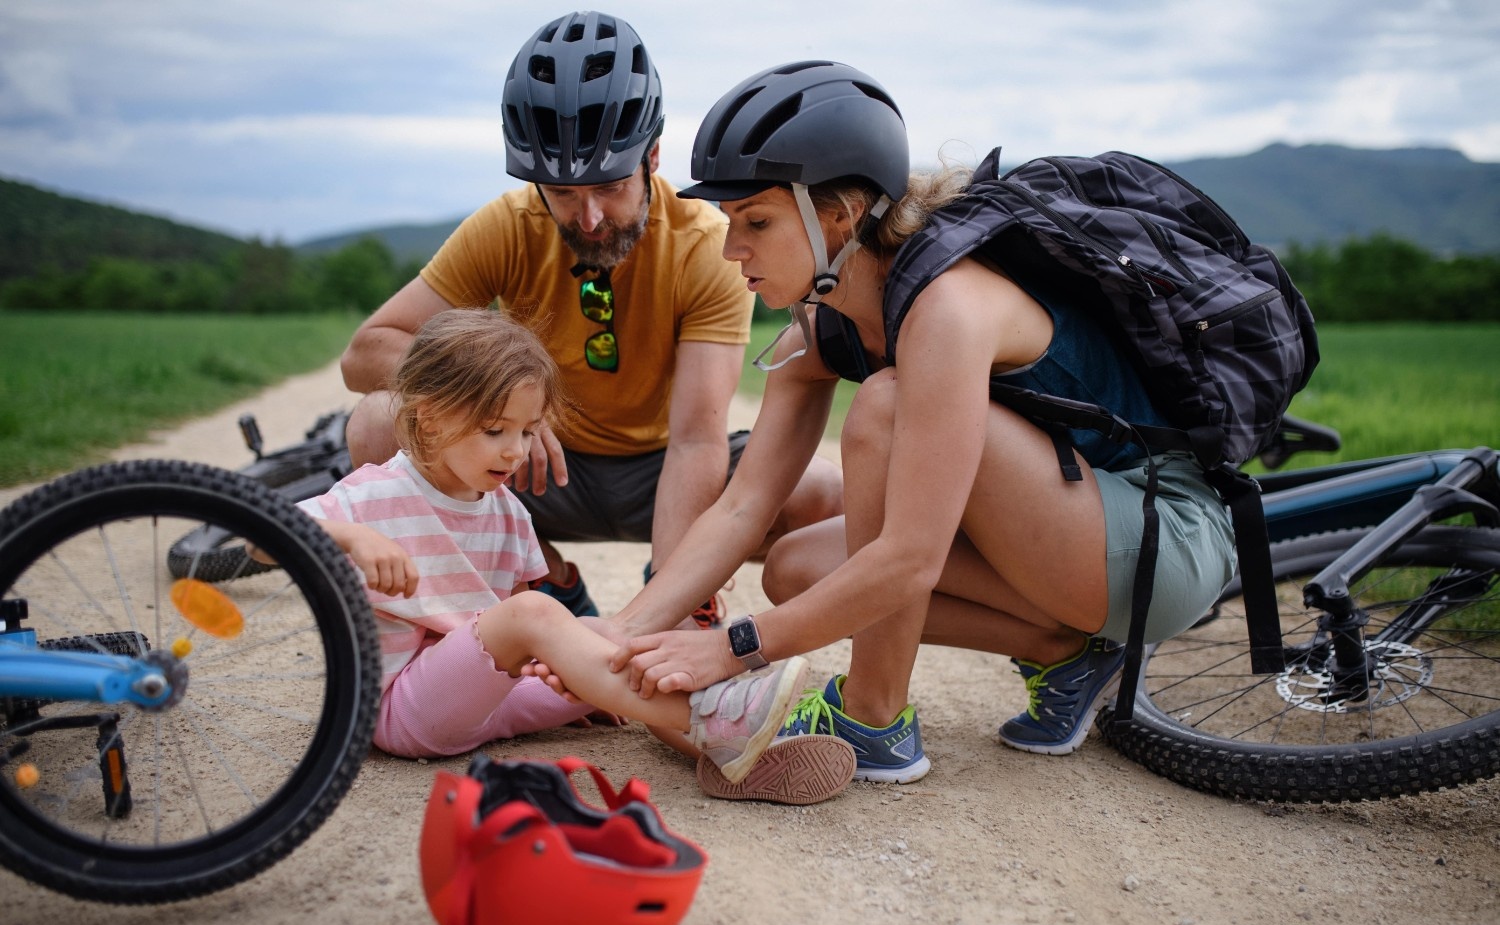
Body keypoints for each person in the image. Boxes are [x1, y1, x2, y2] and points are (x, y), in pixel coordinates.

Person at [587, 62, 1238, 785]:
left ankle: (874, 720)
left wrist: (734, 648)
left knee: (884, 409)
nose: (729, 248)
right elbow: (744, 504)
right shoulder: (823, 323)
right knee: (796, 570)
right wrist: (624, 634)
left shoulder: (948, 307)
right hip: (1072, 532)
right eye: (730, 222)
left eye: (757, 222)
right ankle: (1071, 653)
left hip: (1162, 540)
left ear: (839, 213)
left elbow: (909, 559)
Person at [338, 11, 842, 626]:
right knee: (376, 424)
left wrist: (670, 600)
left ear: (652, 156)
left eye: (608, 186)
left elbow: (695, 439)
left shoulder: (705, 244)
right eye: (563, 194)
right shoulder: (506, 224)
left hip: (662, 470)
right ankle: (544, 585)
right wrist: (492, 401)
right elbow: (366, 352)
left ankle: (681, 597)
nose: (590, 217)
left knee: (826, 495)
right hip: (535, 465)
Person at [283, 308, 814, 788]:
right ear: (427, 416)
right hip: (401, 709)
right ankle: (715, 713)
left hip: (489, 700)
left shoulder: (506, 513)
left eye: (529, 432)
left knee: (609, 636)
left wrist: (584, 675)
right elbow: (260, 537)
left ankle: (723, 755)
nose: (515, 452)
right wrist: (352, 538)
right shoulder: (373, 496)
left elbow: (508, 636)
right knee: (538, 613)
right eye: (495, 430)